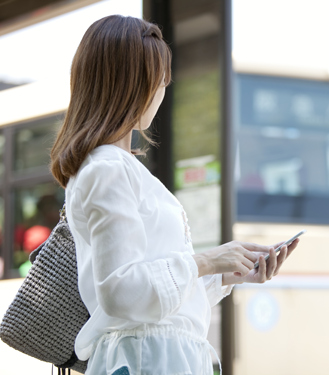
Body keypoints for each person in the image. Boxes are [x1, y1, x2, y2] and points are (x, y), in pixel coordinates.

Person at [49, 15, 299, 375]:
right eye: (159, 79)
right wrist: (208, 261)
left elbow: (160, 299)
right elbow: (122, 291)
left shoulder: (117, 167)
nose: (163, 89)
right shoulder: (107, 169)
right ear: (132, 85)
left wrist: (229, 273)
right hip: (145, 361)